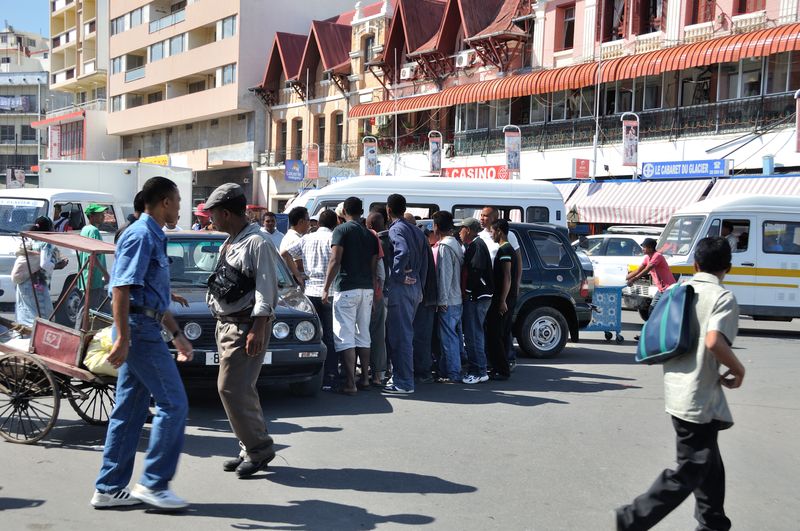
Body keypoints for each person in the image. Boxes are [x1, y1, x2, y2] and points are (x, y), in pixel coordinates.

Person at [615, 236, 746, 531]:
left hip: (679, 391)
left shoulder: (680, 289)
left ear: (696, 263)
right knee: (691, 468)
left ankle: (712, 523)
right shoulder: (722, 298)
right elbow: (714, 341)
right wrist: (739, 370)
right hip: (697, 399)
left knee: (709, 465)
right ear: (729, 267)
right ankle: (632, 518)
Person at [92, 176, 194, 510]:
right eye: (178, 201)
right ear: (165, 202)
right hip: (139, 331)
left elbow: (152, 296)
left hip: (146, 326)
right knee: (173, 403)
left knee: (130, 411)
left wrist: (177, 335)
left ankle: (109, 487)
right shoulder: (140, 235)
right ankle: (153, 483)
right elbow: (121, 288)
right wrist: (123, 337)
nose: (180, 207)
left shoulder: (154, 235)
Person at [203, 183, 280, 478]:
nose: (210, 219)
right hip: (227, 325)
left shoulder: (257, 242)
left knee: (231, 388)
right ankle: (248, 448)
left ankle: (259, 449)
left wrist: (258, 328)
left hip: (246, 326)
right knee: (237, 391)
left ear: (225, 213)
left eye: (213, 214)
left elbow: (267, 289)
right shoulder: (233, 240)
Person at [322, 197, 378, 395]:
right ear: (362, 211)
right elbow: (373, 267)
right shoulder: (371, 235)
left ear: (344, 210)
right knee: (364, 334)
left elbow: (335, 260)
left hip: (346, 288)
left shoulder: (341, 230)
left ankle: (350, 383)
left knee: (345, 335)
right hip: (366, 289)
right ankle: (364, 379)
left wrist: (326, 287)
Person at [282, 209, 338, 391]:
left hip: (310, 289)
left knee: (313, 335)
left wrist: (298, 274)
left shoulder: (307, 238)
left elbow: (284, 253)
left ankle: (315, 374)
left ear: (319, 223)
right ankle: (330, 375)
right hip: (328, 291)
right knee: (330, 336)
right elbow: (336, 261)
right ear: (334, 223)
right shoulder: (333, 239)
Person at [384, 193, 428, 394]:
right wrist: (420, 286)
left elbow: (401, 251)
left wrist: (398, 275)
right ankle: (403, 379)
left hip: (402, 287)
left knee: (400, 336)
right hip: (415, 285)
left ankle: (403, 382)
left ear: (388, 209)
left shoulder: (396, 229)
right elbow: (427, 262)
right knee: (406, 335)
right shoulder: (416, 230)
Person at [479, 206, 522, 370]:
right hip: (491, 289)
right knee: (492, 329)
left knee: (500, 330)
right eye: (481, 215)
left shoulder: (506, 244)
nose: (482, 218)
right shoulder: (482, 236)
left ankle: (504, 363)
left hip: (503, 292)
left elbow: (509, 273)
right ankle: (495, 362)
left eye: (485, 216)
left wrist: (507, 296)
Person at [13, 216, 68, 328]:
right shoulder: (45, 243)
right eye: (52, 227)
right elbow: (44, 264)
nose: (54, 230)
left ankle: (23, 337)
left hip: (24, 281)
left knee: (25, 313)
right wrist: (58, 265)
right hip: (36, 283)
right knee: (43, 315)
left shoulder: (32, 240)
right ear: (48, 228)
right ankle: (36, 340)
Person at [458, 217, 493, 384]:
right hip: (478, 296)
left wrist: (469, 291)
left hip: (477, 297)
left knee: (473, 335)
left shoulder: (477, 245)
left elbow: (476, 270)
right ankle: (480, 369)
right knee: (475, 334)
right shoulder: (474, 245)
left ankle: (477, 371)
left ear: (469, 231)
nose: (459, 232)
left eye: (462, 229)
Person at [485, 219, 518, 381]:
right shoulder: (505, 248)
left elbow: (507, 276)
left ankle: (501, 369)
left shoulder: (505, 249)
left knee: (495, 334)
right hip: (504, 298)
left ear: (499, 231)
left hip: (501, 299)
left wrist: (503, 300)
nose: (491, 234)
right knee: (501, 334)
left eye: (492, 231)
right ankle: (499, 367)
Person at [432, 211, 463, 383]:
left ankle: (453, 373)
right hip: (457, 298)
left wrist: (441, 301)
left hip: (449, 300)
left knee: (448, 338)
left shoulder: (445, 247)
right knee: (454, 336)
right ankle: (449, 370)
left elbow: (445, 276)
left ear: (436, 226)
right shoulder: (456, 243)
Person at [626, 238, 676, 335]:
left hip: (669, 289)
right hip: (661, 290)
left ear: (650, 248)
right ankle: (650, 334)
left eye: (644, 247)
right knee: (653, 310)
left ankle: (652, 334)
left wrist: (633, 279)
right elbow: (638, 270)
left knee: (659, 311)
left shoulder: (657, 256)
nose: (642, 249)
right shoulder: (647, 258)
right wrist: (625, 277)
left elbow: (648, 269)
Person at [412, 225, 438, 384]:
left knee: (421, 336)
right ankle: (424, 368)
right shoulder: (426, 246)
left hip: (425, 297)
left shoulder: (420, 247)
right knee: (424, 336)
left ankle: (423, 370)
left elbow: (423, 274)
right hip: (428, 296)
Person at [366, 210, 390, 387]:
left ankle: (366, 373)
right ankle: (379, 373)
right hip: (380, 294)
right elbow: (382, 272)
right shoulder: (386, 239)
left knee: (365, 335)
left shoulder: (368, 239)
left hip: (364, 294)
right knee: (380, 334)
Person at [77, 204, 110, 319]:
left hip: (88, 276)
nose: (103, 216)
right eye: (99, 214)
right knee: (88, 309)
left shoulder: (85, 229)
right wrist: (105, 273)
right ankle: (80, 331)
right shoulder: (94, 230)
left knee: (98, 307)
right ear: (91, 216)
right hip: (93, 276)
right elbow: (93, 256)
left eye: (103, 214)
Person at [280, 207, 310, 273]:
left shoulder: (289, 236)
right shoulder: (295, 239)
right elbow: (299, 266)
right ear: (301, 221)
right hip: (297, 280)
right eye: (308, 219)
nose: (309, 223)